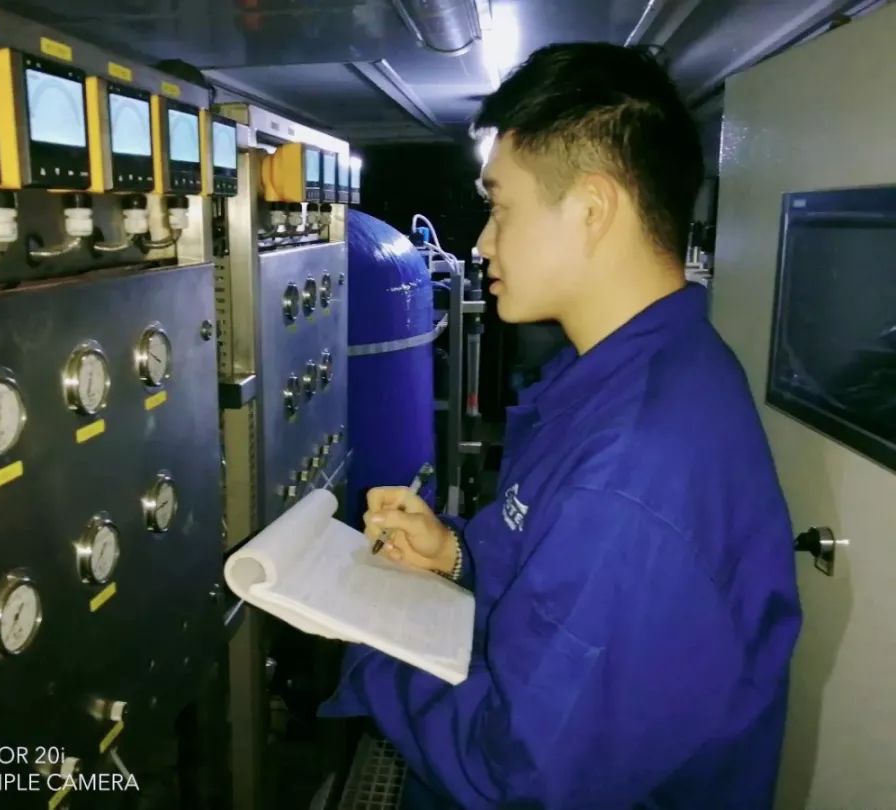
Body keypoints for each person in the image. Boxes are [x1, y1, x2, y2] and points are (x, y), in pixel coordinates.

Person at [319, 42, 802, 809]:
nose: (482, 242)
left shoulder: (634, 468)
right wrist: (456, 557)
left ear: (592, 209)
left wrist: (364, 635)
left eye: (500, 207)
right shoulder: (642, 368)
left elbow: (515, 775)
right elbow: (550, 574)